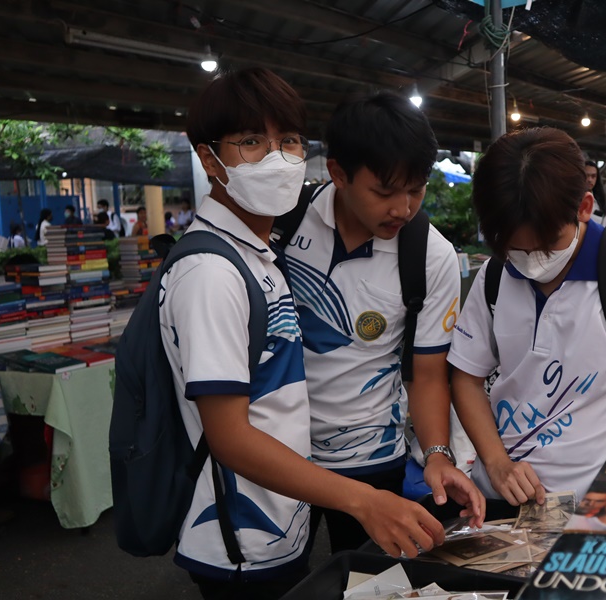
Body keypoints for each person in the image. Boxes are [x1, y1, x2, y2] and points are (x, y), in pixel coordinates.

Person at [162, 67, 446, 598]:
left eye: (289, 140)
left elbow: (426, 374)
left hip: (301, 497)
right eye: (251, 142)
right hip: (246, 522)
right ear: (209, 159)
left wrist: (434, 454)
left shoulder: (258, 254)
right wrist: (363, 501)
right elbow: (229, 436)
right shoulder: (218, 269)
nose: (276, 160)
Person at [447, 128, 606, 506]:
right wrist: (497, 464)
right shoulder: (495, 275)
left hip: (598, 503)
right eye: (515, 248)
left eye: (547, 245)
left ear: (584, 207)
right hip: (504, 501)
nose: (531, 261)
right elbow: (466, 376)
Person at [280, 91, 483, 554]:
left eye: (416, 189)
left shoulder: (430, 255)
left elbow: (427, 374)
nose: (403, 208)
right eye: (384, 192)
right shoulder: (284, 223)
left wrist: (437, 455)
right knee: (279, 580)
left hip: (370, 456)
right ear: (338, 173)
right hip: (278, 451)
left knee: (368, 577)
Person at [585, 159, 606, 227]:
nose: (590, 180)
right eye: (586, 176)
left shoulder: (603, 203)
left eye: (593, 176)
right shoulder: (572, 201)